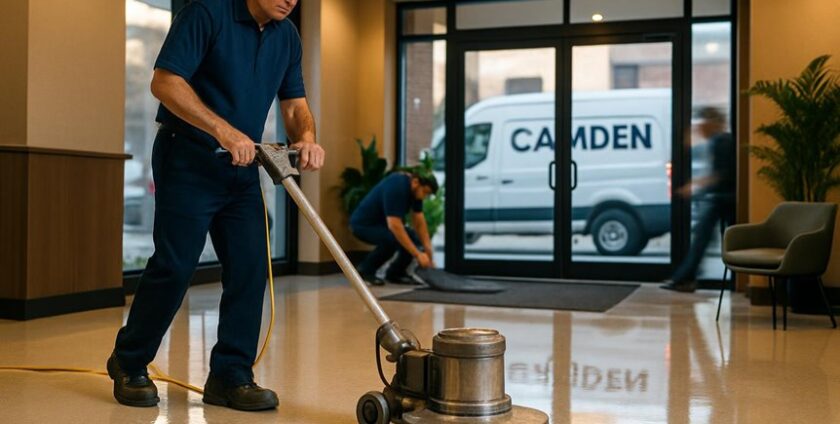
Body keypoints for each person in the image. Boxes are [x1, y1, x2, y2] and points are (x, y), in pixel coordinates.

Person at [108, 0, 325, 411]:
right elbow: (165, 82)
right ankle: (129, 361)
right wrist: (222, 130)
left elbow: (294, 103)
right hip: (187, 156)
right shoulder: (206, 13)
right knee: (175, 266)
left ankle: (230, 375)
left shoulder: (287, 36)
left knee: (250, 266)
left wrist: (306, 138)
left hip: (241, 166)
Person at [661, 107, 735, 293]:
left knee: (702, 237)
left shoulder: (721, 142)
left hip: (723, 199)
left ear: (712, 124)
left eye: (702, 124)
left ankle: (685, 278)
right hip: (722, 198)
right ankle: (686, 277)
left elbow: (720, 175)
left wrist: (695, 187)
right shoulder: (719, 140)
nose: (699, 129)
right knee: (703, 237)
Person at [350, 172, 439, 286]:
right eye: (425, 192)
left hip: (382, 225)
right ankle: (365, 272)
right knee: (391, 239)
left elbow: (419, 223)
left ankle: (396, 273)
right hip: (363, 225)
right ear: (416, 182)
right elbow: (394, 226)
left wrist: (428, 252)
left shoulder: (416, 191)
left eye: (428, 194)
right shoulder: (397, 187)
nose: (424, 196)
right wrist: (418, 255)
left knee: (413, 238)